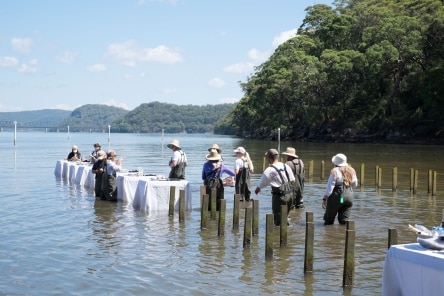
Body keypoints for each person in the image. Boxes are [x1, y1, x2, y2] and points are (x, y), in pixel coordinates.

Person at [255, 148, 295, 226]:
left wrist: (258, 190)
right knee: (286, 216)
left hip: (279, 197)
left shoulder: (269, 170)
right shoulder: (285, 166)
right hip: (290, 195)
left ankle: (279, 235)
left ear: (270, 158)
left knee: (278, 221)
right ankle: (288, 233)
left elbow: (259, 187)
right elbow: (293, 180)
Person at [322, 153, 358, 225]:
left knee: (329, 219)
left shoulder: (334, 171)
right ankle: (344, 233)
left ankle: (329, 234)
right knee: (344, 220)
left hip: (339, 196)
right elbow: (355, 184)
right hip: (349, 196)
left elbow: (330, 187)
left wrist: (325, 199)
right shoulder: (351, 170)